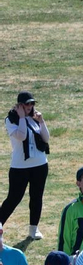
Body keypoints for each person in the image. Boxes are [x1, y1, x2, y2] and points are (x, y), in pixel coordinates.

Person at [2, 92, 49, 244]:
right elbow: (21, 136)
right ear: (19, 105)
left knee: (36, 197)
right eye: (26, 104)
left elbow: (46, 138)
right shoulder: (11, 119)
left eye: (32, 104)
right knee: (14, 198)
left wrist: (41, 121)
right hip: (20, 167)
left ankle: (33, 229)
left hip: (40, 165)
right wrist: (22, 117)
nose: (29, 107)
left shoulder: (35, 118)